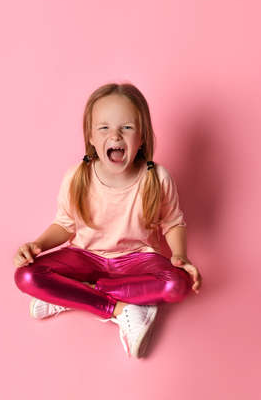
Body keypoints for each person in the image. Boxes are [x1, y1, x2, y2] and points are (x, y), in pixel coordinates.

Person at [13, 82, 202, 359]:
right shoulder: (78, 175)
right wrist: (38, 244)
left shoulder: (156, 177)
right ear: (90, 136)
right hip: (85, 258)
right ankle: (123, 309)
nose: (115, 134)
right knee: (27, 276)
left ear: (142, 137)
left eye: (126, 127)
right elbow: (65, 224)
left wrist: (180, 256)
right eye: (104, 128)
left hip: (136, 261)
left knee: (178, 284)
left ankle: (73, 295)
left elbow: (173, 222)